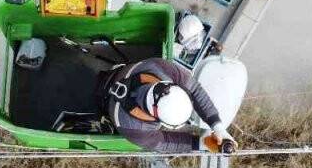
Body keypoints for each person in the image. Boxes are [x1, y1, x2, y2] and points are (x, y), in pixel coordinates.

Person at [99, 57, 236, 154]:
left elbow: (195, 89)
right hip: (104, 104)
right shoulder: (135, 130)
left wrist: (217, 126)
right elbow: (163, 142)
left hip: (116, 74)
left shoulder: (159, 67)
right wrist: (200, 143)